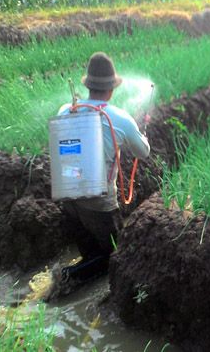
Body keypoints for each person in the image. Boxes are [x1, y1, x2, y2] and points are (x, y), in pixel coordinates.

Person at [57, 52, 150, 263]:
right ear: (111, 90)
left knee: (88, 251)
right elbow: (143, 153)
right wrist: (142, 134)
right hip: (99, 204)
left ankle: (79, 272)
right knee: (117, 256)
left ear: (88, 86)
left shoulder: (65, 110)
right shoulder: (119, 118)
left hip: (68, 196)